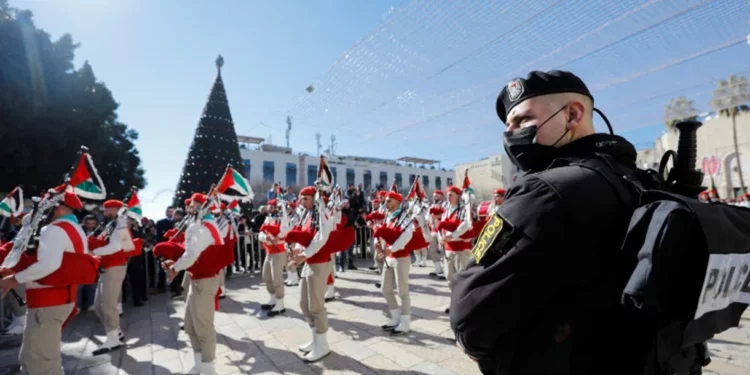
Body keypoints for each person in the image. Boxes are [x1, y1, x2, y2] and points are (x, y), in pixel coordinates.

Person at [450, 70, 645, 375]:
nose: (511, 133)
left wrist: (474, 345)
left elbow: (471, 309)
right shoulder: (637, 181)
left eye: (522, 120)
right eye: (508, 125)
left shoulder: (545, 190)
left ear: (572, 114)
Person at [0, 189, 95, 375]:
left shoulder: (53, 229)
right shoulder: (75, 229)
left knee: (42, 362)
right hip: (57, 299)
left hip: (48, 301)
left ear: (57, 208)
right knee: (31, 357)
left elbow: (48, 265)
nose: (42, 212)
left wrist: (13, 280)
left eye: (45, 207)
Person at [162, 193, 223, 375]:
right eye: (190, 206)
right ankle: (199, 363)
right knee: (190, 325)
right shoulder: (199, 225)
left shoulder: (206, 228)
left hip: (204, 280)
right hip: (196, 278)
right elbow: (189, 252)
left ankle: (208, 367)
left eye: (194, 206)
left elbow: (192, 254)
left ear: (202, 208)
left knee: (203, 326)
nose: (190, 209)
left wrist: (175, 267)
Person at [289, 186, 335, 362]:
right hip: (309, 262)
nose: (301, 202)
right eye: (300, 198)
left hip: (320, 263)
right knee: (304, 304)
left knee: (316, 305)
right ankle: (315, 339)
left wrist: (304, 255)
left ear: (314, 199)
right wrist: (297, 251)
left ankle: (322, 344)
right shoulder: (306, 215)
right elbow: (305, 236)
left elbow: (321, 237)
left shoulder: (322, 214)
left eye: (305, 198)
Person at [89, 199, 136, 355]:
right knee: (98, 305)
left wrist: (93, 252)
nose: (104, 213)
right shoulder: (113, 225)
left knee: (108, 305)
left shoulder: (120, 225)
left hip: (114, 267)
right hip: (107, 267)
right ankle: (116, 332)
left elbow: (115, 247)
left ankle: (113, 339)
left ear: (115, 210)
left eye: (106, 210)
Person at [374, 191, 414, 335]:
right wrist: (378, 244)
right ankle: (395, 317)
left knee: (402, 291)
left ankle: (405, 322)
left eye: (389, 201)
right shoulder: (387, 217)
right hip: (388, 258)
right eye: (385, 201)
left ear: (397, 202)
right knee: (385, 289)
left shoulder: (404, 217)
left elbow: (407, 235)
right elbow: (381, 233)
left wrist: (391, 249)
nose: (386, 203)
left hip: (400, 258)